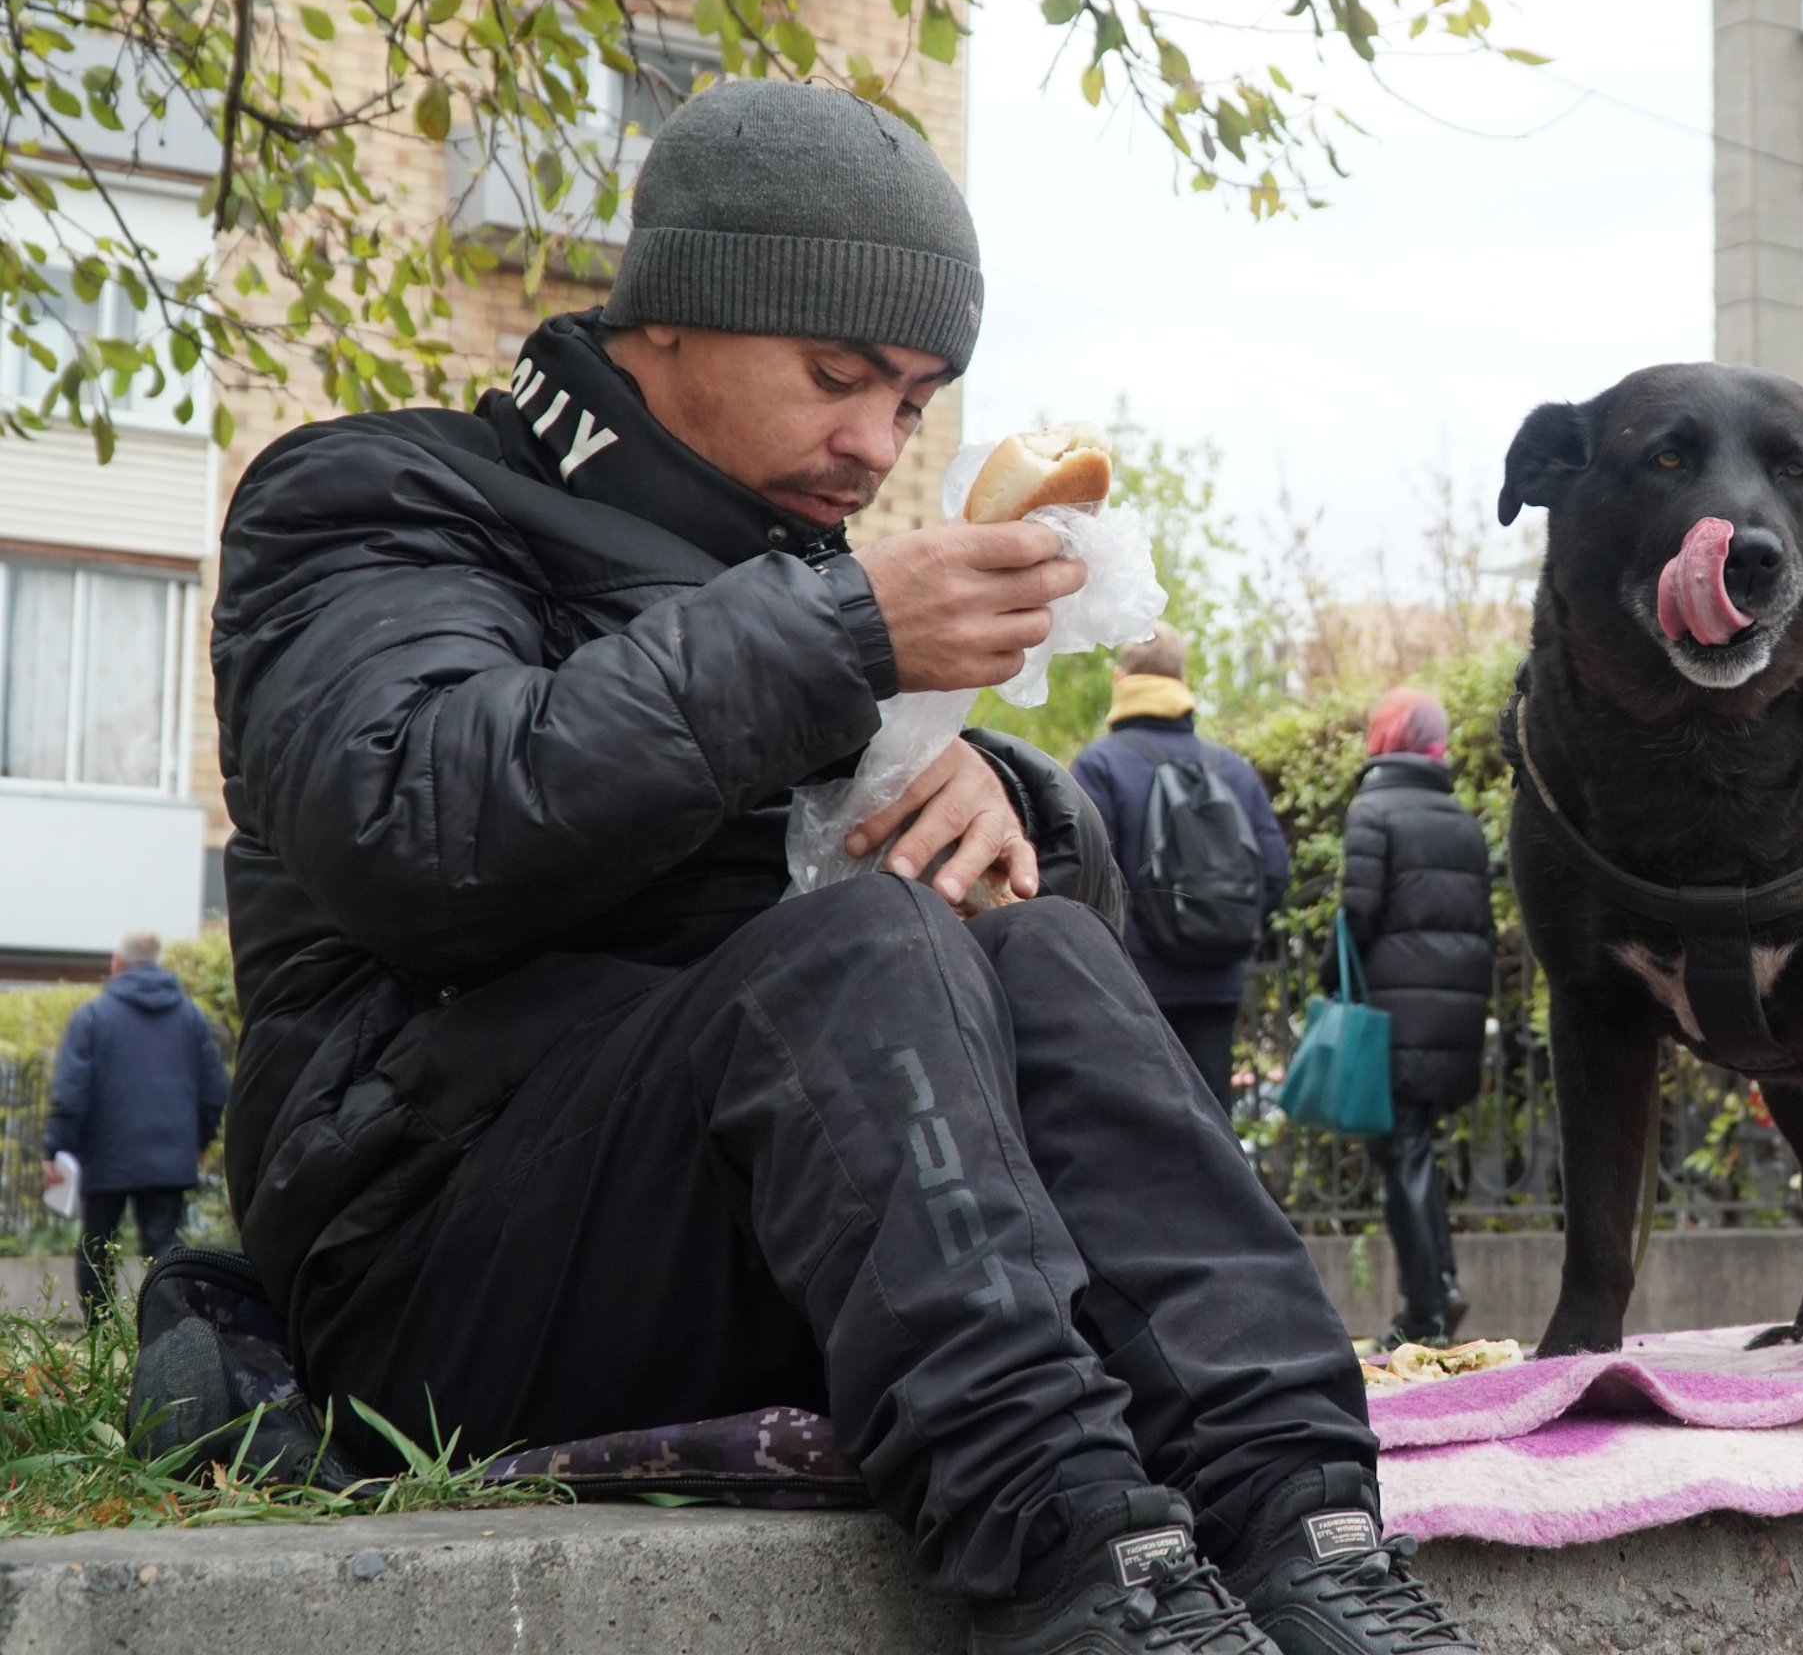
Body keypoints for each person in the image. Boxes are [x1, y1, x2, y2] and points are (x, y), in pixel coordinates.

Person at [206, 82, 1471, 1655]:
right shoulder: (382, 500)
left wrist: (1014, 808)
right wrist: (844, 642)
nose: (875, 444)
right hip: (437, 1272)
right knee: (860, 947)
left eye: (917, 401)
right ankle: (1083, 1574)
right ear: (668, 317)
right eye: (836, 377)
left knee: (1045, 951)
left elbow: (1028, 1007)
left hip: (769, 1253)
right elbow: (412, 823)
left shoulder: (797, 591)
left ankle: (1311, 1532)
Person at [1331, 690, 1494, 1351]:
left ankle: (1426, 1310)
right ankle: (1440, 1287)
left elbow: (1357, 913)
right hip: (1451, 1015)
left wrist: (1328, 975)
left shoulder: (1373, 810)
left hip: (1393, 1015)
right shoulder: (1462, 817)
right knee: (1415, 1146)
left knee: (1400, 1153)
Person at [1073, 627, 1291, 1107]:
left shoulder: (1099, 766)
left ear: (1120, 678)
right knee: (1213, 1124)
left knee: (1141, 1126)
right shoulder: (1231, 769)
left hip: (1134, 984)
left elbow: (1081, 879)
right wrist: (1218, 928)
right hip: (1217, 980)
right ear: (1184, 680)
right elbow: (1274, 873)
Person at [43, 932, 229, 1323]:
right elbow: (215, 1089)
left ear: (117, 964)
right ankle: (174, 1331)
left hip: (105, 1156)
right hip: (169, 1157)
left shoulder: (93, 1017)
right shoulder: (190, 1017)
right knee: (163, 1244)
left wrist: (55, 1149)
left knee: (96, 1249)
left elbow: (71, 1091)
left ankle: (102, 1335)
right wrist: (200, 1140)